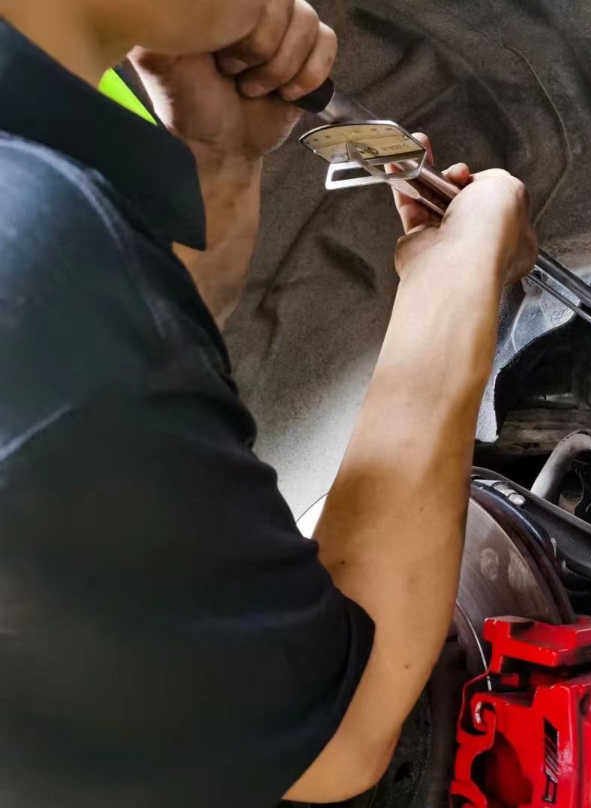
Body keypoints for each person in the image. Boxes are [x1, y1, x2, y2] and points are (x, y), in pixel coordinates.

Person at [0, 0, 537, 804]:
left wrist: (216, 163)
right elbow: (334, 733)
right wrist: (454, 280)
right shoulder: (33, 263)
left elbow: (117, 393)